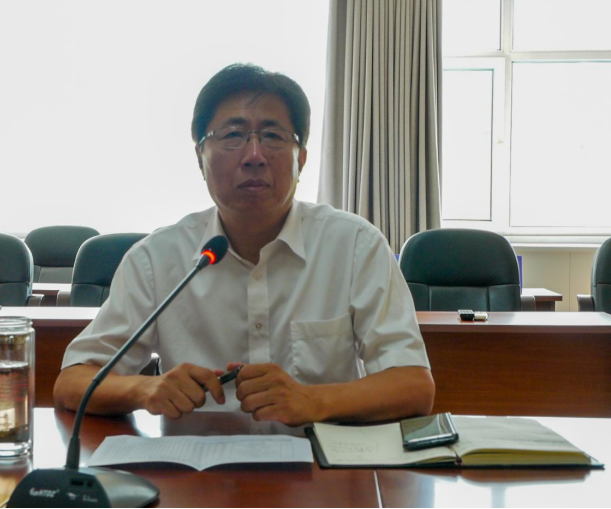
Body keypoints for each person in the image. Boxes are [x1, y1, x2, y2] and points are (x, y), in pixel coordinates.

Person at [54, 64, 434, 427]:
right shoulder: (156, 259)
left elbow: (414, 387)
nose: (254, 156)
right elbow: (72, 382)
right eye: (233, 136)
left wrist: (312, 400)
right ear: (200, 157)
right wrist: (145, 388)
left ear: (301, 159)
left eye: (272, 136)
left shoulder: (354, 247)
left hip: (319, 465)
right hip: (196, 467)